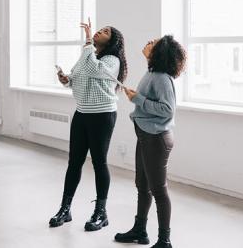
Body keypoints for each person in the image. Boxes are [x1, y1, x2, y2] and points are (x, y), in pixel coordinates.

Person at [49, 18, 128, 232]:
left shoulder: (112, 60)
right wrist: (66, 79)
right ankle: (65, 209)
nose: (97, 32)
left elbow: (94, 70)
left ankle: (101, 213)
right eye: (98, 30)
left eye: (104, 32)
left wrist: (87, 41)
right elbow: (77, 76)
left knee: (99, 163)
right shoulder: (88, 55)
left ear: (112, 41)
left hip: (102, 115)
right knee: (74, 162)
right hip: (82, 113)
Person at [114, 35, 186, 247]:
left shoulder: (162, 77)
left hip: (156, 139)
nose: (148, 42)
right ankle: (140, 230)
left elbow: (167, 110)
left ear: (159, 51)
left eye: (153, 42)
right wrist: (138, 97)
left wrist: (137, 99)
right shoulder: (153, 72)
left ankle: (165, 240)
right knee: (142, 186)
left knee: (159, 190)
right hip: (146, 136)